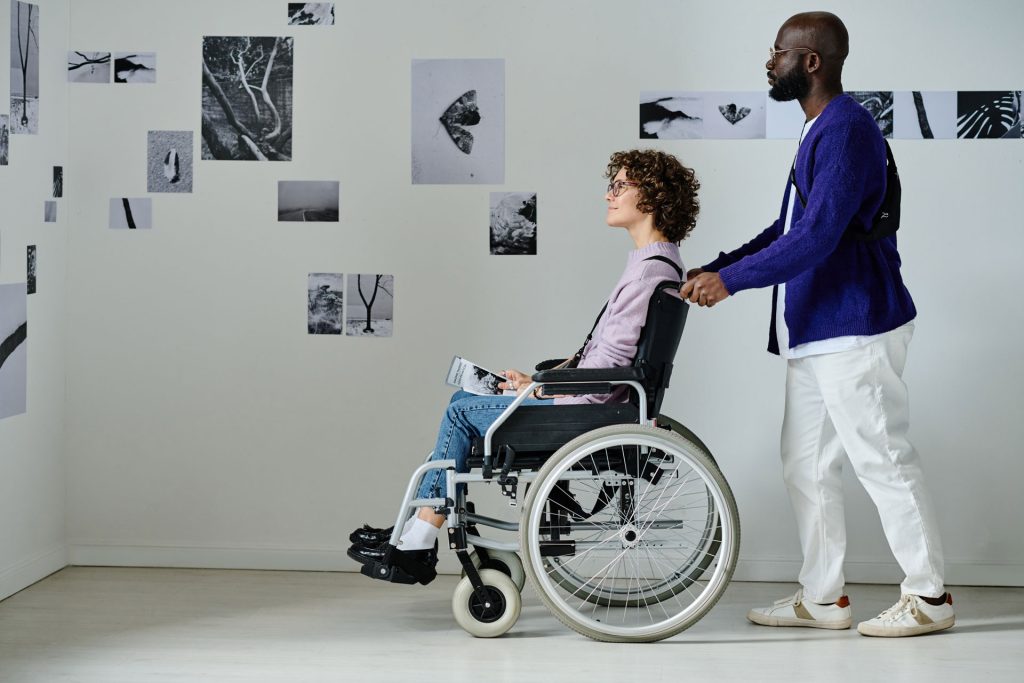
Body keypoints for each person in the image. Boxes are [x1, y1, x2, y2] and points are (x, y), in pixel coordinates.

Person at [681, 12, 952, 637]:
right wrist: (718, 266)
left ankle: (930, 597)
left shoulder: (847, 129)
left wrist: (732, 283)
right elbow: (787, 231)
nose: (767, 61)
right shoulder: (817, 131)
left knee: (882, 457)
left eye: (777, 52)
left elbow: (819, 236)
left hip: (856, 324)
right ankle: (823, 597)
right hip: (818, 331)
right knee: (805, 465)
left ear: (811, 62)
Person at [349, 149, 700, 583]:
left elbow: (608, 364)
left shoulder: (649, 272)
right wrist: (535, 382)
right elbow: (604, 354)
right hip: (592, 400)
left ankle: (418, 539)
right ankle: (416, 530)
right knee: (466, 399)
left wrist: (541, 391)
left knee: (461, 411)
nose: (608, 195)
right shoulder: (655, 265)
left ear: (650, 196)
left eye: (619, 186)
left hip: (589, 411)